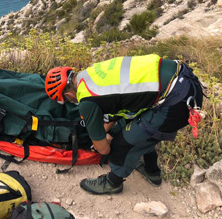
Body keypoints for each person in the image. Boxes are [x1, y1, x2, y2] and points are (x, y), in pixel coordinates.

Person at [45, 54, 205, 195]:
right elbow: (118, 102)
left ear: (67, 94)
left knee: (123, 143)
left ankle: (112, 183)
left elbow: (103, 149)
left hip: (177, 102)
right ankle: (152, 171)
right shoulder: (91, 74)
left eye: (66, 100)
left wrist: (103, 142)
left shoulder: (86, 101)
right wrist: (104, 130)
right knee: (139, 132)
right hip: (185, 81)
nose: (71, 102)